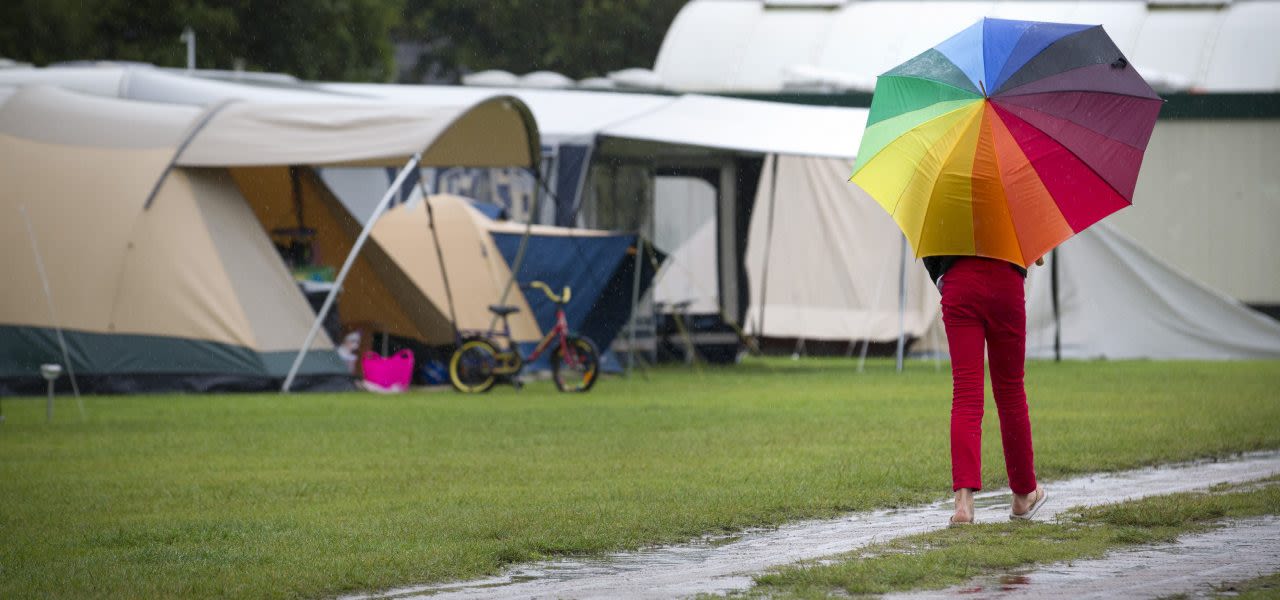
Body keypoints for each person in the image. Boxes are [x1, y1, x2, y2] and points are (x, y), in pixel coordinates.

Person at [922, 254, 1048, 525]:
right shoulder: (1013, 208)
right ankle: (1023, 495)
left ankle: (963, 504)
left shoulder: (946, 209)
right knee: (1011, 392)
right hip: (1006, 280)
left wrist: (943, 276)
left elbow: (930, 249)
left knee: (965, 394)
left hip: (959, 281)